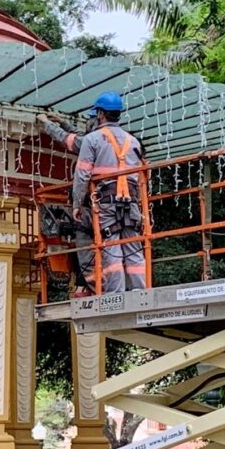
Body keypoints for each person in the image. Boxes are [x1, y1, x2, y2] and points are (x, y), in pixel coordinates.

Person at [37, 91, 146, 296]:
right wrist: (62, 122)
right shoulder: (132, 141)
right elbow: (80, 140)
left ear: (101, 114)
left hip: (106, 202)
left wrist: (77, 204)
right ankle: (141, 291)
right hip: (130, 201)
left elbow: (81, 171)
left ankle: (115, 295)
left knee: (110, 246)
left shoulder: (93, 140)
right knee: (133, 247)